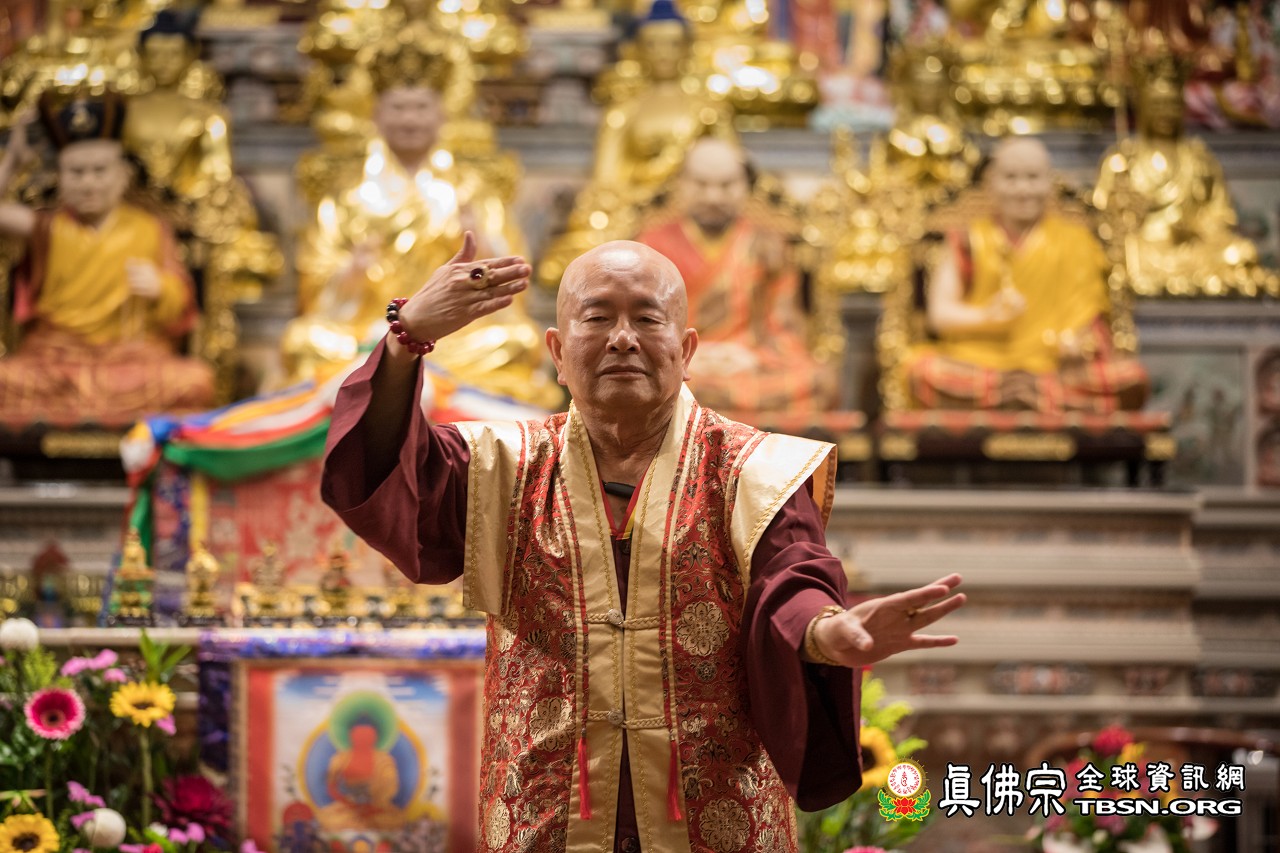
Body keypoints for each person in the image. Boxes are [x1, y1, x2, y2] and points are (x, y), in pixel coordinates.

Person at [321, 232, 966, 851]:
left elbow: (792, 577)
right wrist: (407, 338)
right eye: (598, 317)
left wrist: (827, 633)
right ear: (556, 351)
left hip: (715, 817)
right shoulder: (500, 467)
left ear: (686, 349)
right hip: (544, 815)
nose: (623, 338)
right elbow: (381, 475)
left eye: (647, 319)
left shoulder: (755, 470)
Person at [281, 24, 558, 410]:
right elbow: (314, 278)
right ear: (375, 115)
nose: (409, 119)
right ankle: (396, 360)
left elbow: (510, 274)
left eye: (421, 108)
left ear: (442, 115)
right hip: (365, 328)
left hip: (456, 334)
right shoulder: (347, 195)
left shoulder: (470, 191)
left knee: (516, 342)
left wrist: (481, 247)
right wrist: (351, 271)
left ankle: (406, 369)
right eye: (398, 108)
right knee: (304, 341)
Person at [0, 93, 212, 424]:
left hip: (131, 363)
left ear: (122, 175)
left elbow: (181, 307)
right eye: (76, 172)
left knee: (195, 381)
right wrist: (12, 160)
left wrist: (160, 288)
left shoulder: (149, 229)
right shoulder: (48, 228)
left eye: (100, 171)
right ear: (60, 178)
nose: (88, 184)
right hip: (55, 360)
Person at [902, 136, 1149, 413]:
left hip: (1056, 365)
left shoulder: (1075, 242)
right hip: (980, 360)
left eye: (1032, 178)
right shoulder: (968, 239)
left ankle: (1015, 394)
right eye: (1010, 178)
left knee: (1131, 378)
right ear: (991, 184)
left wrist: (1077, 341)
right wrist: (987, 316)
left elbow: (1089, 317)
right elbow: (940, 315)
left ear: (1050, 184)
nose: (1022, 190)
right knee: (921, 370)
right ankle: (1037, 395)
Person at [636, 137, 836, 416]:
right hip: (681, 366)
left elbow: (783, 326)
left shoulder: (767, 244)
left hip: (748, 365)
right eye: (701, 184)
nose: (713, 197)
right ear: (681, 184)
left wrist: (751, 356)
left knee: (820, 382)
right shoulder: (651, 246)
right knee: (650, 383)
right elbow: (641, 325)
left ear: (745, 186)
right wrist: (688, 355)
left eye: (726, 185)